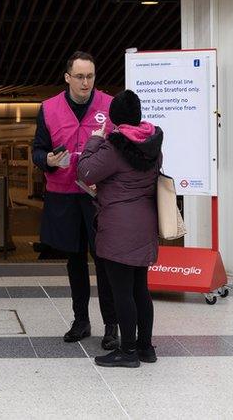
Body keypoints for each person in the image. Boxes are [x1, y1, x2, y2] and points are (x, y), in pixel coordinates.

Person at [31, 51, 119, 346]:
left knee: (105, 260)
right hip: (64, 195)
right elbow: (37, 151)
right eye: (80, 77)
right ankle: (81, 320)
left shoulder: (109, 105)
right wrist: (49, 161)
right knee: (75, 260)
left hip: (98, 196)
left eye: (90, 76)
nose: (85, 83)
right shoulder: (48, 108)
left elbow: (121, 146)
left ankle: (111, 325)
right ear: (67, 77)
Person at [77, 90, 162, 368]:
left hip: (118, 229)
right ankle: (145, 348)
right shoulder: (153, 144)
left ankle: (127, 352)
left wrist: (95, 139)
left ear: (114, 118)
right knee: (141, 289)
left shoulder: (115, 146)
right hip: (144, 226)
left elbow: (86, 171)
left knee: (122, 292)